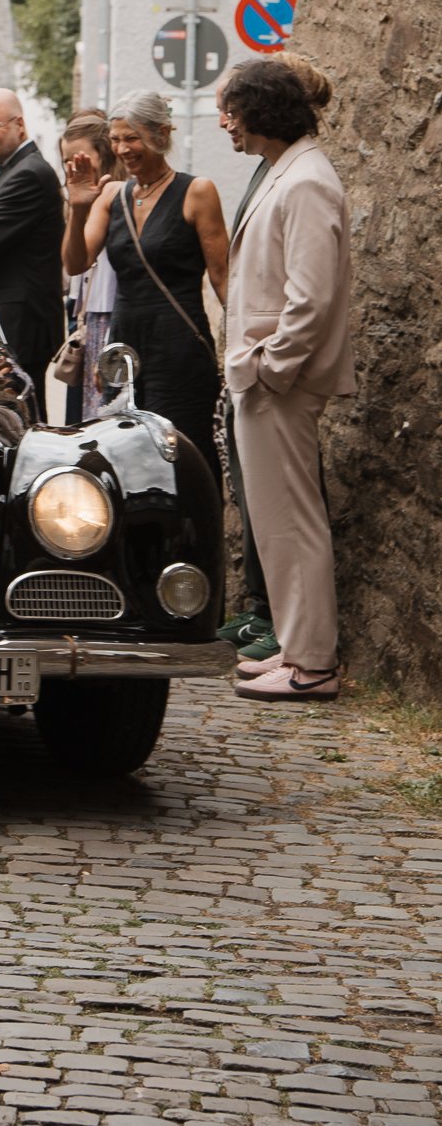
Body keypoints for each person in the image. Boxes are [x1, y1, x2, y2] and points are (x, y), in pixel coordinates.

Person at [221, 58, 355, 703]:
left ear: (262, 112)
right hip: (267, 377)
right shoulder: (290, 171)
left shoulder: (305, 180)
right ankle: (299, 650)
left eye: (234, 112)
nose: (227, 124)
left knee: (294, 522)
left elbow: (311, 297)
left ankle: (313, 664)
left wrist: (269, 369)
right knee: (277, 523)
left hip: (279, 380)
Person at [64, 89, 228, 475]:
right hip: (125, 349)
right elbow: (75, 263)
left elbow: (223, 277)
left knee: (186, 458)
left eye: (132, 137)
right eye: (116, 139)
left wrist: (244, 342)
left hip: (180, 348)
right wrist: (77, 208)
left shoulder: (197, 192)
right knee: (128, 461)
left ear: (161, 134)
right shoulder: (109, 196)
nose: (122, 149)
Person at [0, 89, 64, 417]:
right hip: (12, 321)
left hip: (20, 325)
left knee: (18, 419)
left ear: (19, 125)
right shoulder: (10, 170)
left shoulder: (28, 175)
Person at [58, 111, 121, 422]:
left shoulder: (118, 194)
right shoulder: (83, 198)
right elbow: (72, 264)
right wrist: (77, 207)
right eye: (67, 161)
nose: (74, 168)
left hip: (115, 315)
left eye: (81, 159)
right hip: (91, 316)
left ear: (105, 156)